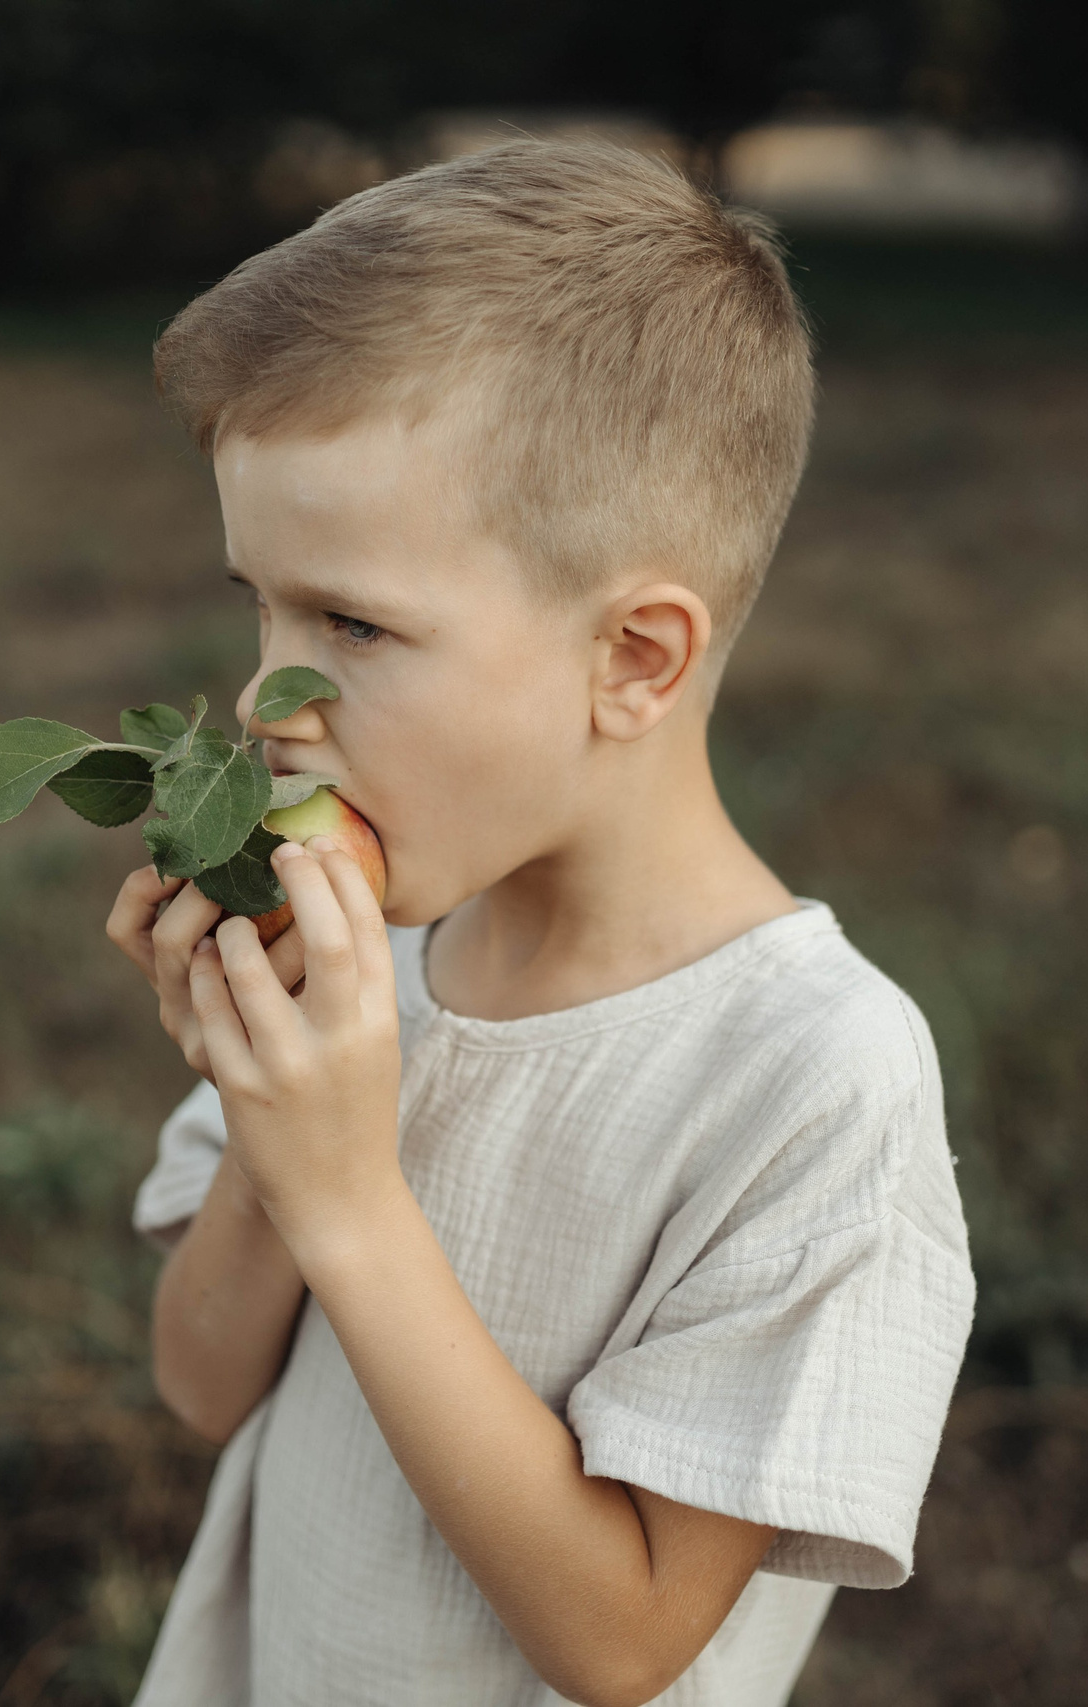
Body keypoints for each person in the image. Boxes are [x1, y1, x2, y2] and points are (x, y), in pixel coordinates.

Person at [103, 138, 975, 1707]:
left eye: (353, 624)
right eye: (262, 602)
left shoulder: (812, 1080)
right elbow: (200, 1385)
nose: (263, 698)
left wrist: (354, 1197)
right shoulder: (384, 961)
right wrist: (267, 1131)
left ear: (635, 659)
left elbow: (627, 1639)